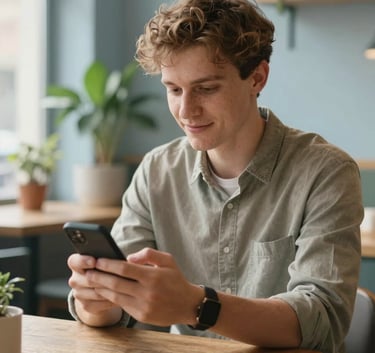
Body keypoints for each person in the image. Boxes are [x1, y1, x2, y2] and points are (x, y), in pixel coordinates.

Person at [67, 0, 363, 352]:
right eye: (174, 89)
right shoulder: (157, 171)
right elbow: (118, 310)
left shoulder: (325, 172)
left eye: (206, 88)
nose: (186, 110)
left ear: (257, 77)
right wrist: (98, 301)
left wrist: (198, 305)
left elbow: (322, 319)